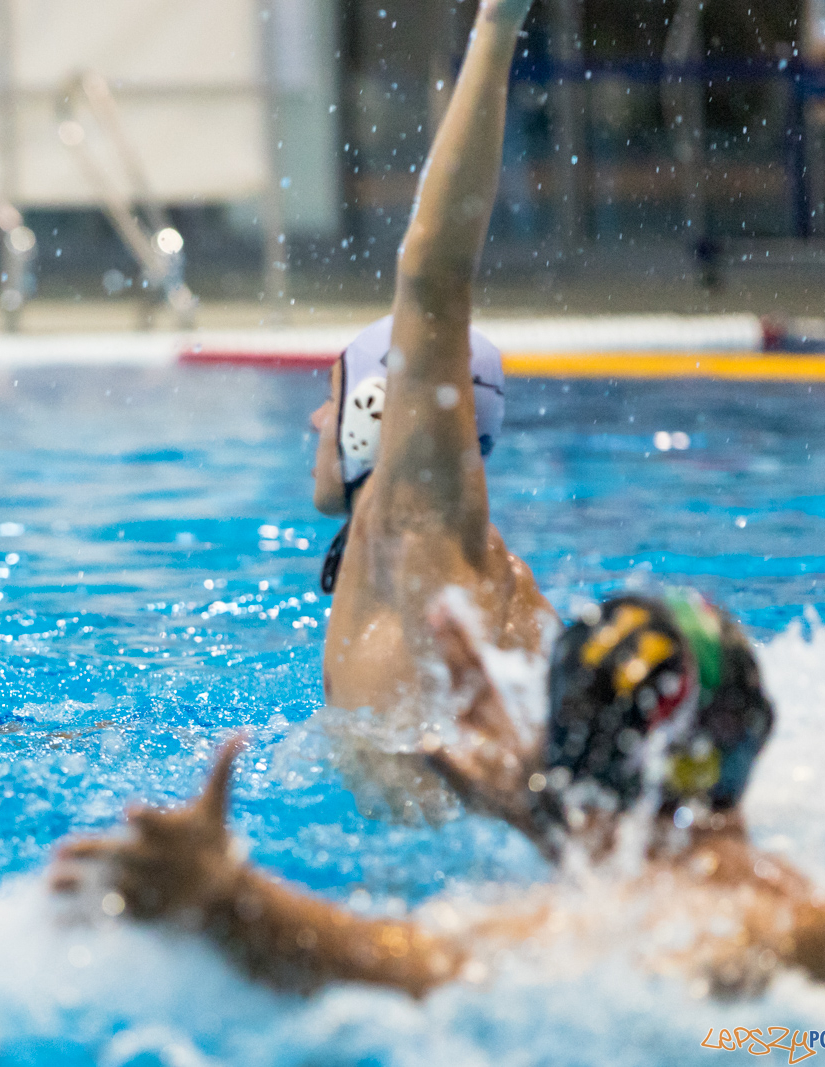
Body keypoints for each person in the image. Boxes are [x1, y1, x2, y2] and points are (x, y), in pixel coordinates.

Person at [50, 590, 825, 1001]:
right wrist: (545, 807)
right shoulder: (792, 901)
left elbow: (404, 967)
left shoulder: (675, 934)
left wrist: (230, 897)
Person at [301, 0, 552, 821]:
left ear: (377, 409)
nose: (315, 421)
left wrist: (497, 27)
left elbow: (434, 272)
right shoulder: (476, 562)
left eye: (330, 399)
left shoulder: (417, 520)